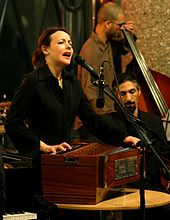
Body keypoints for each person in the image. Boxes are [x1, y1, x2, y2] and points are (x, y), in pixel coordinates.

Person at [4, 27, 140, 220]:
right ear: (45, 49)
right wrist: (42, 146)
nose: (68, 46)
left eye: (70, 43)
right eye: (61, 42)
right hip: (41, 168)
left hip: (66, 164)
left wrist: (123, 137)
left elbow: (92, 120)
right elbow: (12, 123)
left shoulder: (71, 82)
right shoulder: (33, 82)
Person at [109, 73, 170, 220]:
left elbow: (164, 151)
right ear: (116, 96)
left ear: (139, 92)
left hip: (154, 186)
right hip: (126, 189)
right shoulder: (111, 124)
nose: (128, 98)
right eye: (122, 94)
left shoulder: (154, 121)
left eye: (132, 92)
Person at [74, 1, 136, 141]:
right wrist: (108, 122)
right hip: (95, 124)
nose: (121, 28)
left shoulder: (106, 42)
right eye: (119, 25)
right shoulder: (91, 51)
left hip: (106, 117)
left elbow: (124, 49)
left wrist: (127, 33)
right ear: (108, 24)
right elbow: (90, 93)